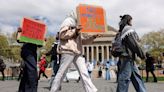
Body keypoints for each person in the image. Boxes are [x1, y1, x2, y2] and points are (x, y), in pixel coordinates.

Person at [50, 10, 101, 92]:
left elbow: (83, 41)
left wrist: (93, 37)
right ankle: (53, 90)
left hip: (77, 52)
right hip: (68, 51)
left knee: (84, 73)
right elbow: (62, 35)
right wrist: (75, 31)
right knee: (61, 73)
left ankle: (91, 90)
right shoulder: (68, 21)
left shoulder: (79, 25)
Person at [116, 14, 146, 92]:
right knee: (124, 80)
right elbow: (134, 44)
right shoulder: (128, 29)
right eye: (131, 20)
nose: (132, 21)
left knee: (136, 78)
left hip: (126, 57)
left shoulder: (121, 31)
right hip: (127, 57)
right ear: (128, 20)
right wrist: (142, 55)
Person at [17, 22, 46, 92]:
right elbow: (18, 40)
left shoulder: (37, 36)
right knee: (32, 71)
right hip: (26, 51)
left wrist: (44, 41)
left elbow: (40, 45)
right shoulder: (26, 31)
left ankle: (22, 90)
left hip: (33, 53)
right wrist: (19, 32)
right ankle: (31, 90)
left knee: (27, 71)